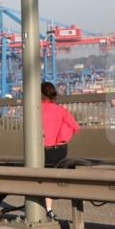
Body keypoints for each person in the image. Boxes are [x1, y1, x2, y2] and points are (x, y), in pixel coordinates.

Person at [41, 81, 80, 220]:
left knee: (42, 178)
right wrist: (62, 134)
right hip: (60, 150)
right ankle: (49, 208)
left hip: (42, 151)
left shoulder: (35, 110)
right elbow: (76, 127)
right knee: (52, 177)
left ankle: (48, 208)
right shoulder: (61, 110)